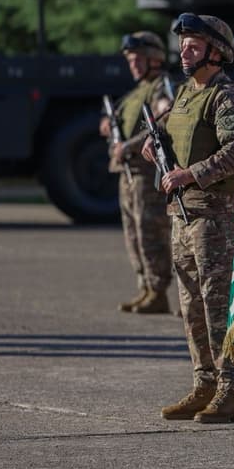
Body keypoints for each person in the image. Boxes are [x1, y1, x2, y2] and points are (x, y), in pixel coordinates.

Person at [146, 13, 234, 422]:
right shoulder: (186, 94)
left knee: (217, 303)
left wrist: (192, 173)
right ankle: (204, 382)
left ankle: (230, 390)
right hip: (181, 214)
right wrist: (156, 152)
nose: (185, 53)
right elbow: (170, 136)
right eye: (183, 46)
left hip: (214, 216)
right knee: (190, 304)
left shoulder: (226, 96)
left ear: (216, 52)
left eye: (193, 46)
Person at [99, 31, 172, 315]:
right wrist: (107, 123)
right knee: (134, 233)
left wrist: (127, 146)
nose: (133, 65)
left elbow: (161, 122)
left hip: (145, 171)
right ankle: (145, 286)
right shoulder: (135, 92)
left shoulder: (159, 88)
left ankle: (158, 289)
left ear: (155, 59)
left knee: (149, 231)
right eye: (131, 60)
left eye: (139, 59)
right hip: (128, 173)